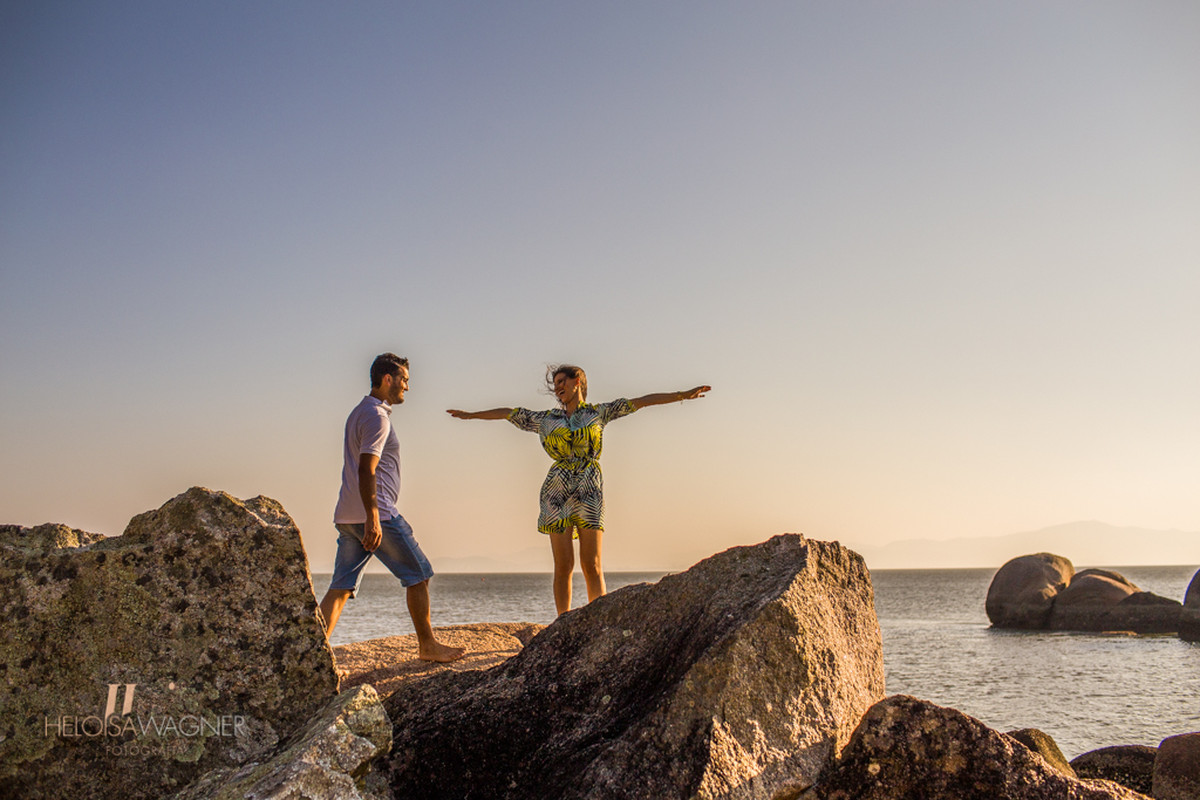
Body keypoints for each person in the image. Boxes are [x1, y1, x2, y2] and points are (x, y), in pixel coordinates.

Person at [447, 365, 710, 615]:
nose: (558, 388)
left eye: (562, 382)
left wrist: (682, 395)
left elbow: (641, 401)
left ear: (578, 382)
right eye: (555, 384)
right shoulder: (545, 419)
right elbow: (508, 413)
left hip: (589, 488)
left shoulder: (598, 413)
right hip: (556, 491)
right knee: (563, 565)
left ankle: (597, 623)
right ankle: (562, 623)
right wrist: (470, 415)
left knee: (592, 563)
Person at [319, 353, 465, 663]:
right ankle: (428, 646)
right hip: (379, 514)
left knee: (340, 588)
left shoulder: (359, 412)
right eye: (404, 380)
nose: (407, 387)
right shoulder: (377, 417)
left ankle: (312, 656)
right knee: (419, 575)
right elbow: (366, 468)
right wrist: (373, 517)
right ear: (388, 379)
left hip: (347, 516)